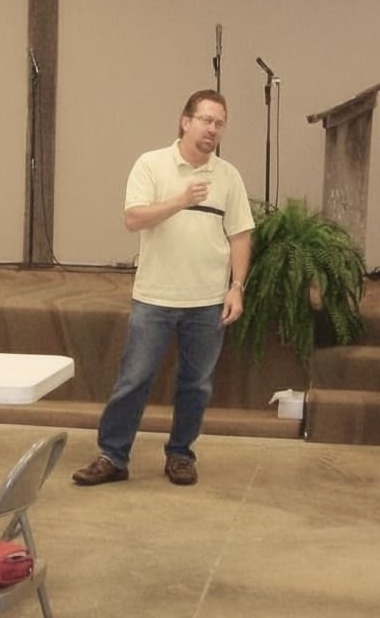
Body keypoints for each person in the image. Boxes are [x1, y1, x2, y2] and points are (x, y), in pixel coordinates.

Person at [72, 90, 254, 488]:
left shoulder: (228, 176)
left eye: (219, 123)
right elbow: (133, 219)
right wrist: (180, 200)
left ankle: (180, 455)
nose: (212, 129)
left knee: (196, 384)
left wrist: (236, 287)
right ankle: (113, 455)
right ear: (185, 121)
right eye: (205, 120)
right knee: (134, 379)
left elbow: (240, 235)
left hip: (207, 301)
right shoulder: (151, 165)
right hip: (155, 296)